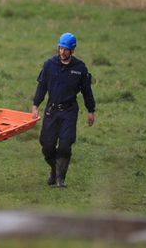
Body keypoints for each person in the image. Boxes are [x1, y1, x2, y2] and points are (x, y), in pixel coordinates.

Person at [32, 33, 96, 188]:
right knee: (46, 145)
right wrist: (35, 105)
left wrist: (91, 110)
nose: (62, 52)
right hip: (51, 110)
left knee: (65, 145)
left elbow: (87, 91)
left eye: (66, 49)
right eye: (61, 48)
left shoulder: (80, 68)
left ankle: (60, 179)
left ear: (72, 50)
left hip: (69, 112)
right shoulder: (49, 65)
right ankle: (54, 169)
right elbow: (42, 86)